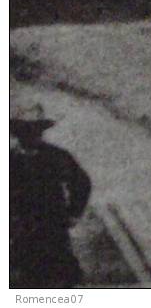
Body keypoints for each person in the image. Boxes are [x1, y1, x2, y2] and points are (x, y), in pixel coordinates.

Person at [10, 99, 92, 289]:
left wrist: (74, 213)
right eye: (24, 130)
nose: (30, 135)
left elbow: (81, 183)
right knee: (23, 279)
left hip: (52, 225)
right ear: (16, 133)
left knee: (59, 277)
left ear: (41, 131)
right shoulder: (9, 160)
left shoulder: (57, 156)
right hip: (20, 229)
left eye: (35, 130)